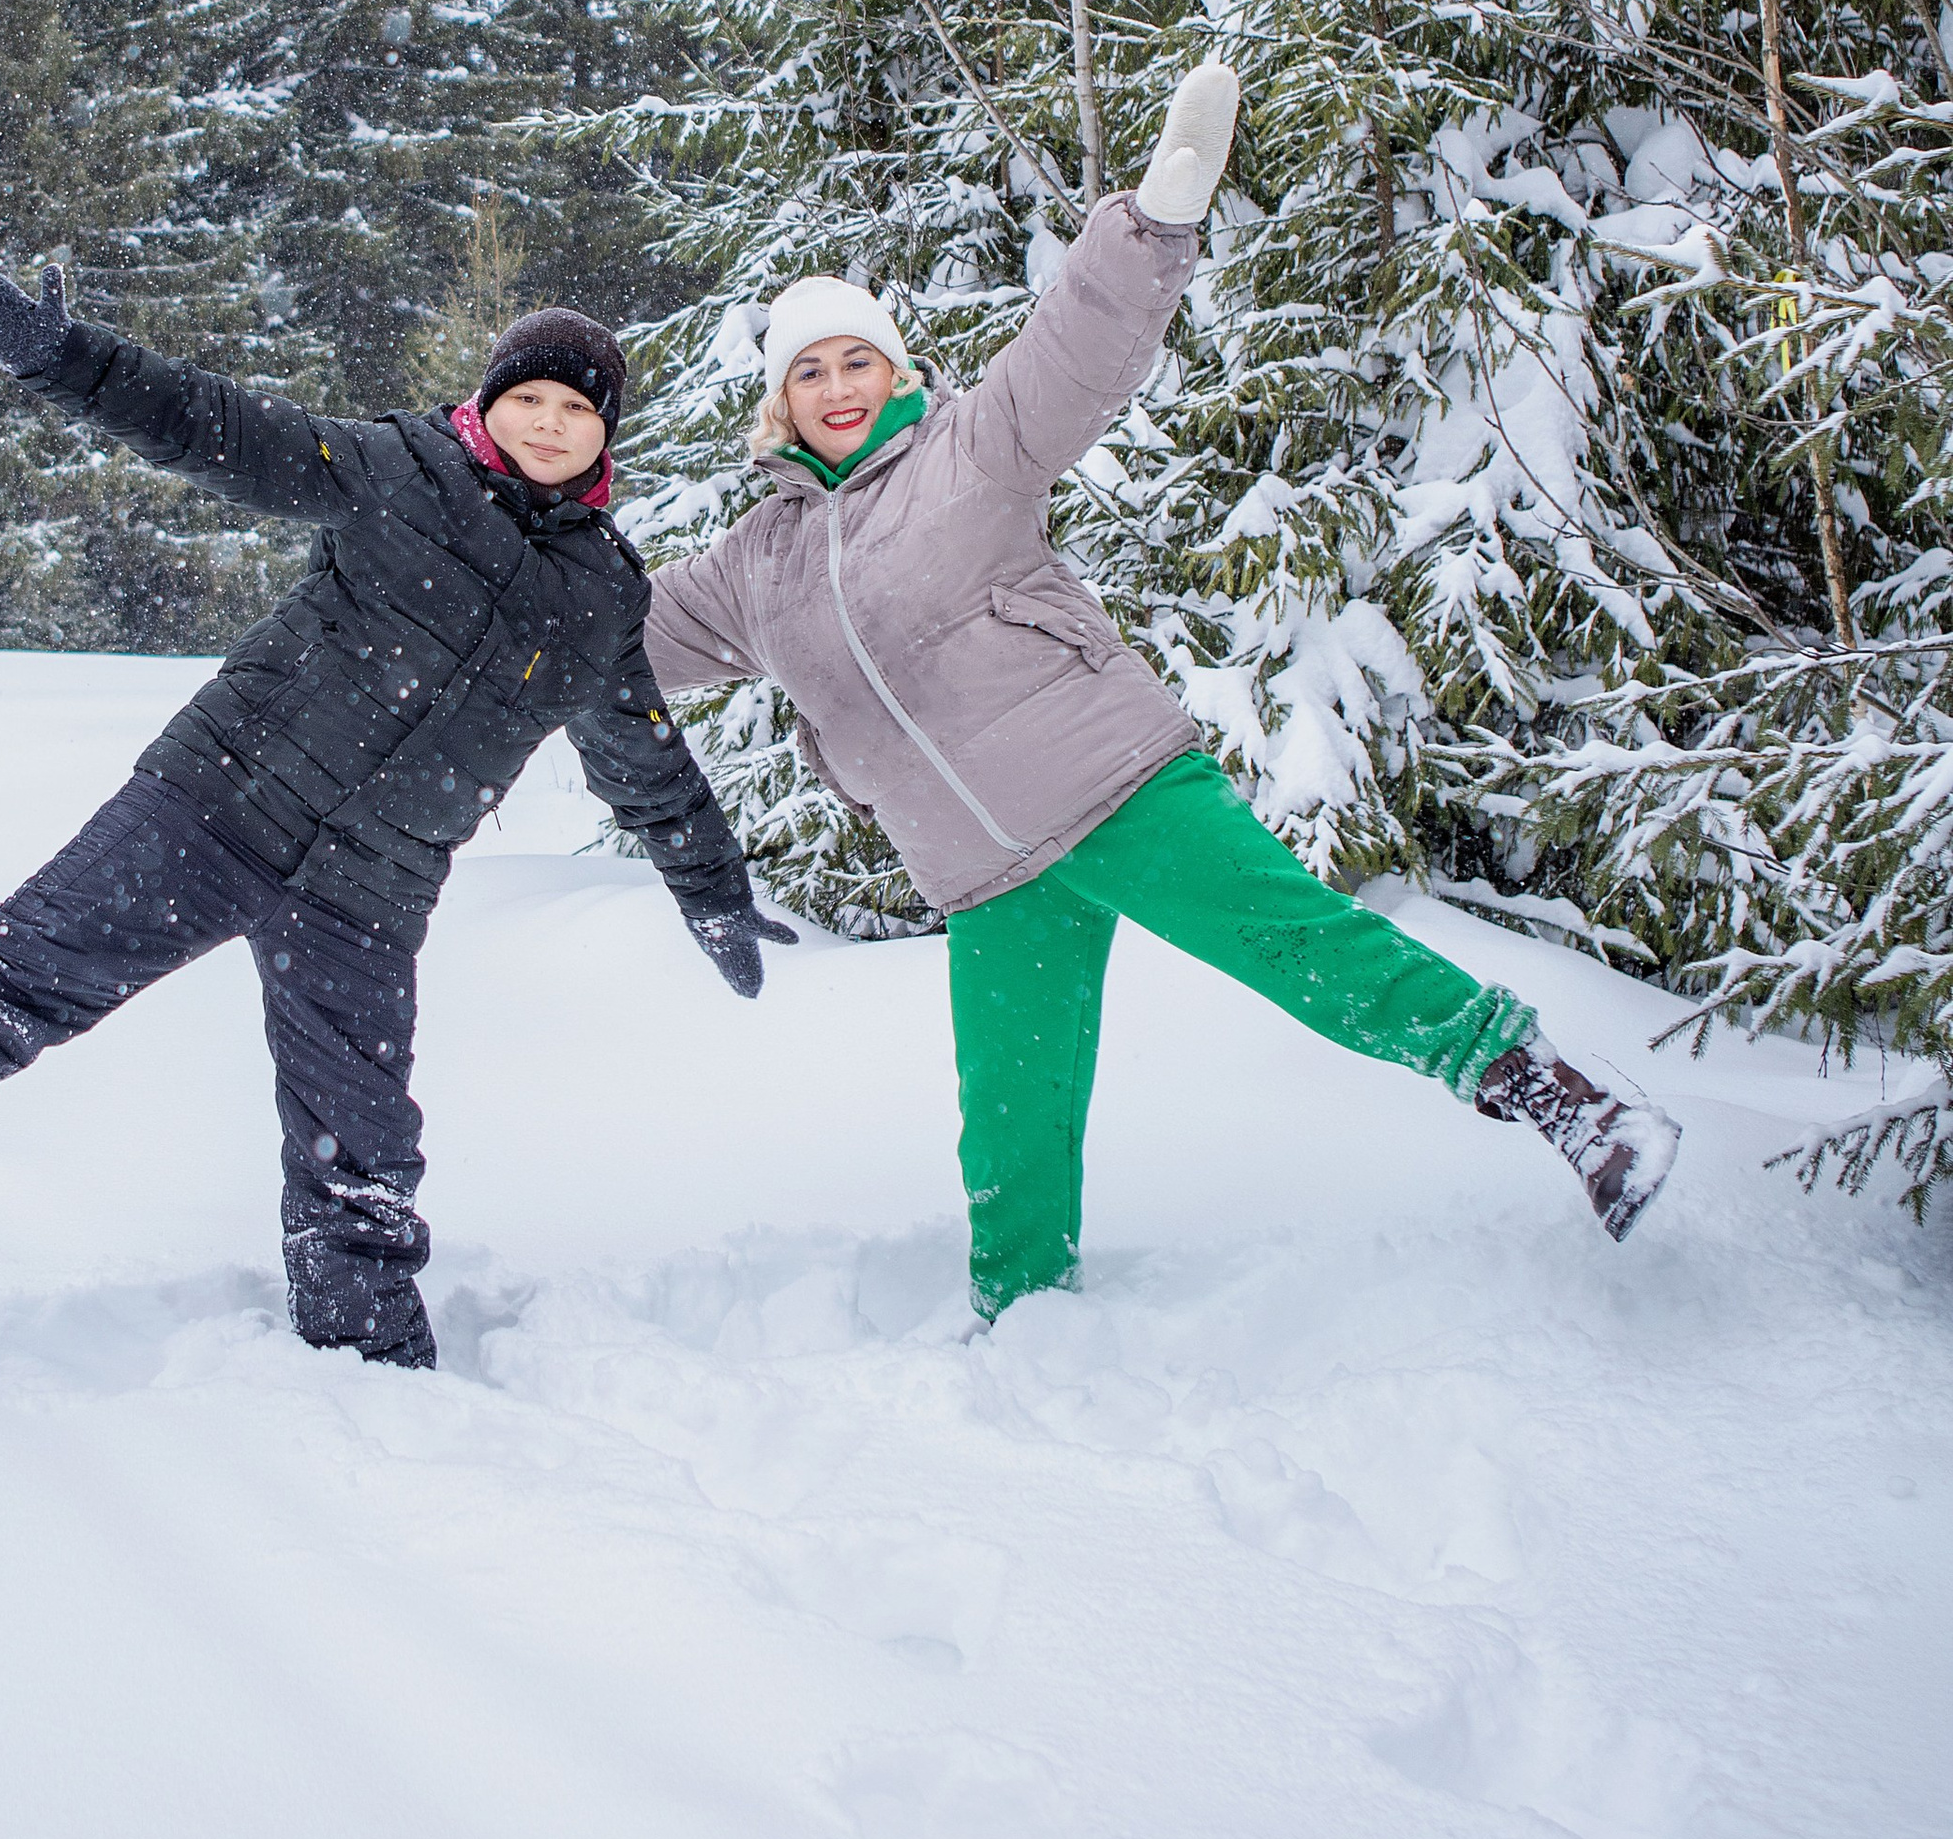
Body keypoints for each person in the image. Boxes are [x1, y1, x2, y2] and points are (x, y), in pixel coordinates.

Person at [640, 65, 1680, 1323]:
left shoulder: (969, 447)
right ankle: (1022, 1319)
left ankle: (1565, 1100)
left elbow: (1072, 352)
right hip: (980, 866)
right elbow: (612, 633)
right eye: (811, 371)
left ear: (895, 369)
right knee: (1011, 1115)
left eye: (859, 358)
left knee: (1303, 951)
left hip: (1111, 783)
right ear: (781, 402)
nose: (839, 385)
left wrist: (1152, 222)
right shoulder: (752, 565)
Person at [0, 279, 788, 1369]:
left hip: (370, 892)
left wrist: (713, 893)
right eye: (528, 398)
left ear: (604, 434)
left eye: (577, 407)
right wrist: (66, 359)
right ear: (488, 403)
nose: (548, 423)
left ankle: (368, 1357)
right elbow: (219, 427)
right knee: (21, 971)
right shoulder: (398, 468)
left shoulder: (601, 594)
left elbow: (646, 758)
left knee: (359, 1142)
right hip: (215, 805)